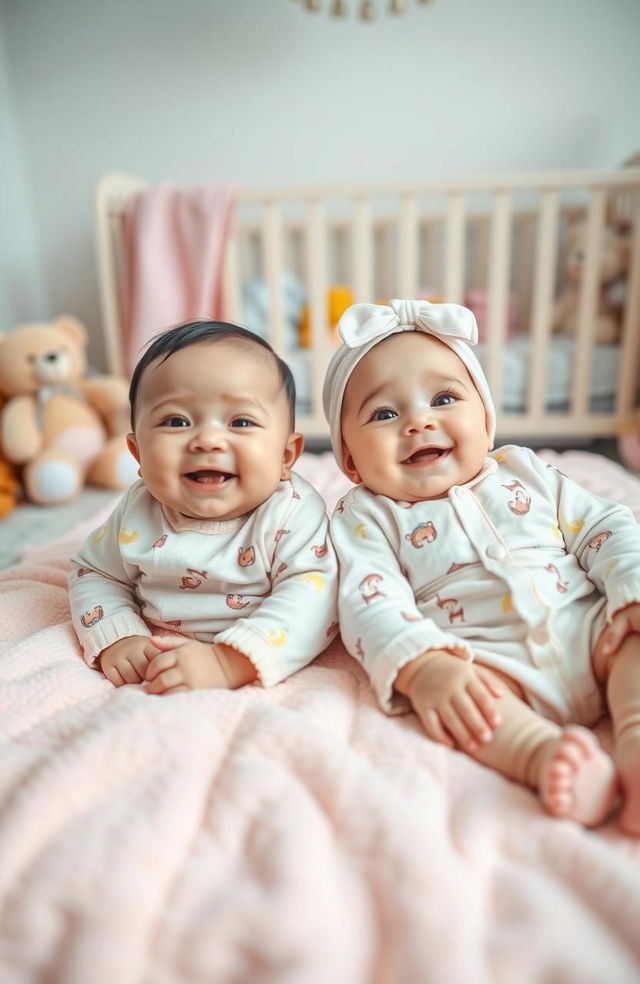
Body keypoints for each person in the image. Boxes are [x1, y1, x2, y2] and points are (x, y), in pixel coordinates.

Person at [323, 298, 640, 833]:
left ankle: (634, 741)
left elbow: (606, 526)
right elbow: (367, 597)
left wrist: (630, 591)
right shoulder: (363, 516)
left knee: (634, 637)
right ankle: (542, 756)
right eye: (384, 413)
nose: (419, 421)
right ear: (350, 459)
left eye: (444, 398)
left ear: (486, 421)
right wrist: (424, 666)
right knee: (463, 702)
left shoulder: (527, 471)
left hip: (589, 631)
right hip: (488, 659)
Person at [70, 320, 338, 696]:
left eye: (240, 421)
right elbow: (94, 573)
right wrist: (117, 635)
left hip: (254, 647)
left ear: (286, 456)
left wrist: (231, 661)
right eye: (176, 421)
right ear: (138, 454)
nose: (208, 440)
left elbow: (316, 595)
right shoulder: (139, 509)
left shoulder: (291, 513)